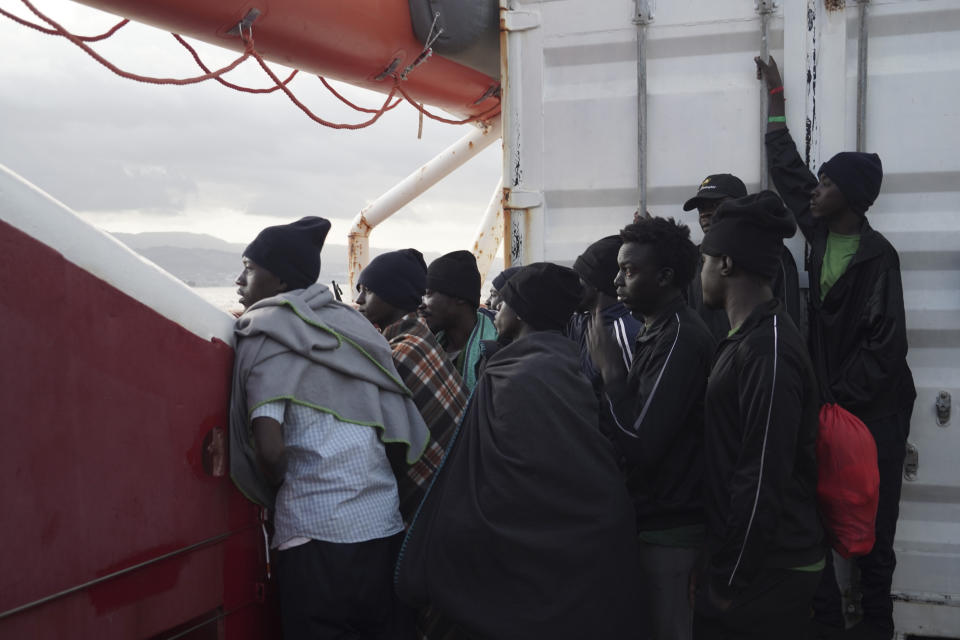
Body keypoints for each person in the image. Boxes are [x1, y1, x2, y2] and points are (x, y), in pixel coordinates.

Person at [757, 55, 917, 640]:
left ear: (848, 198)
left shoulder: (880, 258)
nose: (814, 191)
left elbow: (885, 347)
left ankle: (877, 626)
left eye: (826, 184)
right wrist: (775, 96)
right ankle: (827, 623)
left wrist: (835, 401)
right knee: (816, 518)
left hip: (875, 415)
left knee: (875, 526)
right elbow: (788, 171)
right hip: (831, 409)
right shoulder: (820, 232)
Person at [396, 263, 641, 640]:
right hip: (578, 536)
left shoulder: (522, 376)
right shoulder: (558, 362)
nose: (495, 310)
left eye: (504, 302)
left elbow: (508, 482)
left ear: (523, 312)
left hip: (528, 550)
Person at [227, 217, 429, 640]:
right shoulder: (353, 328)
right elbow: (392, 429)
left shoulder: (268, 334)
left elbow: (270, 450)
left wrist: (284, 488)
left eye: (248, 268)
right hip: (382, 527)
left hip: (316, 537)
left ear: (279, 278)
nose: (238, 280)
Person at [693, 192, 824, 639]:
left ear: (726, 263)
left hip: (771, 567)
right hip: (755, 561)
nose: (701, 273)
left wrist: (731, 577)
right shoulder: (748, 336)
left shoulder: (768, 349)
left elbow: (762, 474)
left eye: (705, 261)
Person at [587, 218, 714, 640]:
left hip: (671, 529)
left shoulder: (679, 338)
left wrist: (610, 374)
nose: (616, 280)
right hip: (652, 521)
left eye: (629, 270)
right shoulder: (657, 332)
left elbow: (642, 442)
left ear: (665, 277)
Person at [355, 249, 469, 523]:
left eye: (368, 291)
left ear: (393, 295)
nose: (358, 300)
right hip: (460, 490)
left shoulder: (398, 353)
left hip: (436, 503)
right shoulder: (420, 336)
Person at [684, 173, 802, 340]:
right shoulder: (692, 259)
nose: (705, 213)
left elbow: (787, 321)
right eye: (701, 207)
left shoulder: (773, 255)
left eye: (716, 204)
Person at [568, 235, 643, 401]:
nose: (571, 286)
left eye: (578, 278)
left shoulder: (625, 334)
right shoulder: (584, 322)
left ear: (595, 285)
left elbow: (633, 409)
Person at [418, 250, 497, 391]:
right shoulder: (424, 347)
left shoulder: (498, 355)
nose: (421, 304)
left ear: (460, 297)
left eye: (428, 293)